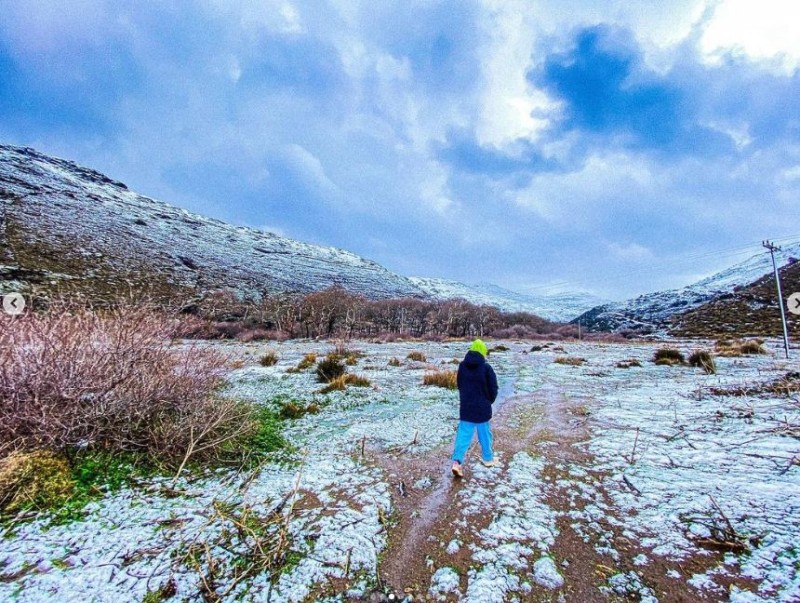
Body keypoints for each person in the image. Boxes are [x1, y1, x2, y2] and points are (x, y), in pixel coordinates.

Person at [451, 339, 500, 478]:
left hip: (466, 407)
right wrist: (488, 401)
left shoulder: (462, 366)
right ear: (483, 351)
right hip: (482, 408)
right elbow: (493, 388)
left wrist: (466, 399)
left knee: (463, 436)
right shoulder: (486, 368)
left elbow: (459, 384)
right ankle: (488, 458)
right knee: (485, 434)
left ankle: (456, 462)